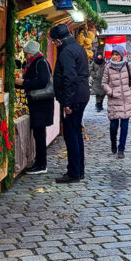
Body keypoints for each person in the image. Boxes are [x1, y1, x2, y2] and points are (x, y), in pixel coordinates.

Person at [50, 23, 90, 183]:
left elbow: (69, 77)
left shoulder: (66, 52)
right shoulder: (77, 47)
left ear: (58, 41)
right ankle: (79, 170)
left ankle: (74, 172)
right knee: (76, 133)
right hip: (81, 95)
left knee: (71, 135)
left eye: (53, 42)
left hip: (74, 98)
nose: (54, 44)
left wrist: (67, 102)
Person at [18, 39, 54, 175]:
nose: (25, 56)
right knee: (39, 134)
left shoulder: (40, 63)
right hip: (39, 103)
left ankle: (41, 164)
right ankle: (39, 162)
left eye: (26, 53)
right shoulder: (38, 61)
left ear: (31, 53)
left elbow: (42, 81)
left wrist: (24, 82)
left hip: (41, 103)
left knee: (39, 135)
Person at [102, 46, 131, 158]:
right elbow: (104, 83)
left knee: (124, 125)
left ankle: (121, 149)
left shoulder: (128, 65)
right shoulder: (108, 67)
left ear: (121, 55)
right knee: (113, 125)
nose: (114, 57)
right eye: (113, 54)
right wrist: (110, 92)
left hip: (126, 100)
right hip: (114, 99)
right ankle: (113, 142)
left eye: (117, 55)